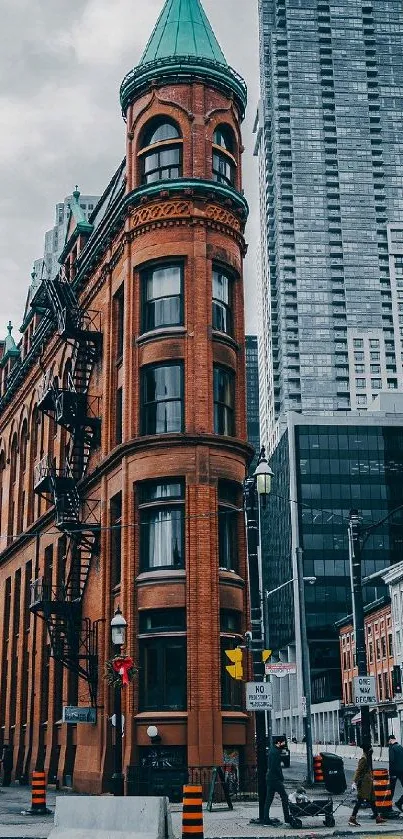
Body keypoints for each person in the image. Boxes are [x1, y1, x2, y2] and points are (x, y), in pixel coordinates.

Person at [348, 745, 386, 827]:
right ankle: (352, 818)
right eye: (370, 748)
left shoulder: (367, 757)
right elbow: (358, 770)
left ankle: (377, 817)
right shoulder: (363, 758)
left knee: (372, 800)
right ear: (368, 750)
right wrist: (354, 782)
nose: (372, 750)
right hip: (364, 783)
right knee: (360, 800)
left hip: (369, 782)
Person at [263, 737, 291, 826]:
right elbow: (276, 767)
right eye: (283, 743)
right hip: (275, 779)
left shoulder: (272, 750)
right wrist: (281, 777)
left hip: (270, 778)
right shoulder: (275, 752)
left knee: (268, 799)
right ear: (278, 743)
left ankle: (266, 819)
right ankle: (287, 818)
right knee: (284, 797)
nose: (284, 744)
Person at [388, 734, 403, 811]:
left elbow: (391, 761)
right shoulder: (400, 747)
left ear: (390, 740)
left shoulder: (392, 748)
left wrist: (391, 774)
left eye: (388, 741)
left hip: (394, 772)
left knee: (391, 790)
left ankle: (388, 807)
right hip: (402, 771)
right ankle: (400, 802)